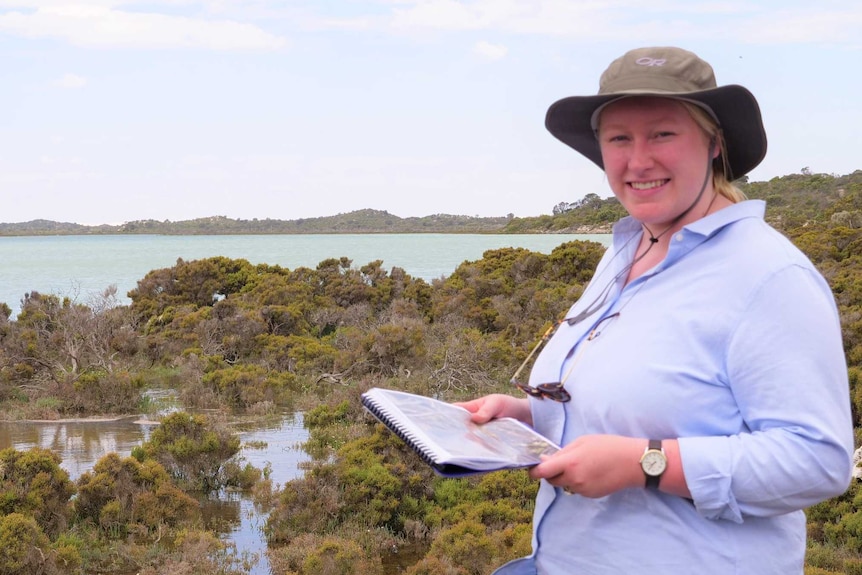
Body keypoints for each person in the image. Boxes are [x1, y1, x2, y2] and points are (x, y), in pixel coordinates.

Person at [458, 46, 854, 574]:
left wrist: (644, 464)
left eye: (663, 134)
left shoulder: (770, 277)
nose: (638, 160)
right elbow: (647, 397)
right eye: (619, 138)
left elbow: (817, 462)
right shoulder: (626, 252)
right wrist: (526, 415)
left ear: (714, 144)